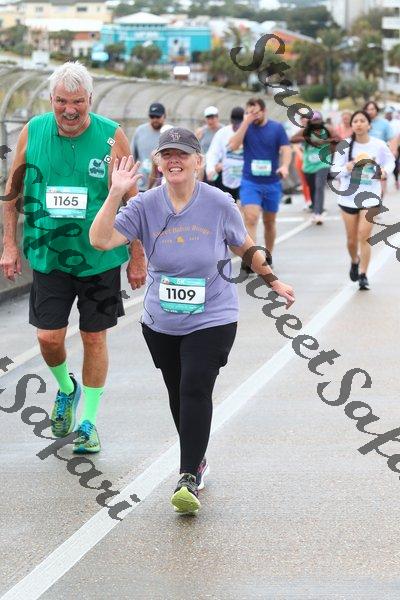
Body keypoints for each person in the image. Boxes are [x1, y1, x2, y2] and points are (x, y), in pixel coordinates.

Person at [89, 127, 295, 514]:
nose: (174, 160)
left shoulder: (218, 203)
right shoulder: (145, 204)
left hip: (213, 315)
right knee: (178, 392)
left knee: (195, 387)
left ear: (198, 161)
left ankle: (187, 476)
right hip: (162, 321)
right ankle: (197, 459)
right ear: (158, 162)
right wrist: (116, 192)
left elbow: (244, 245)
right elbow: (100, 240)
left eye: (182, 154)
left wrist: (273, 280)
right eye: (167, 154)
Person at [0, 61, 146, 453]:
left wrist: (137, 256)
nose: (69, 109)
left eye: (78, 102)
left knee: (93, 336)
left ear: (90, 100)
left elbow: (133, 201)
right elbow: (12, 189)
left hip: (99, 258)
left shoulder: (111, 136)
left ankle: (88, 424)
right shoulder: (33, 131)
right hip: (48, 256)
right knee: (48, 338)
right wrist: (9, 245)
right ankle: (67, 388)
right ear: (51, 99)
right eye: (62, 101)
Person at [330, 110, 394, 290]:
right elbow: (334, 171)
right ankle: (354, 260)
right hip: (348, 198)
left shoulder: (379, 145)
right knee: (351, 240)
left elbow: (390, 162)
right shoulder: (344, 146)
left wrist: (385, 171)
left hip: (370, 197)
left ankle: (364, 274)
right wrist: (347, 168)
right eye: (355, 121)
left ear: (369, 125)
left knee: (364, 236)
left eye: (362, 120)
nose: (358, 124)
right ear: (351, 125)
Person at [228, 97, 292, 270]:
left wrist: (285, 166)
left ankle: (268, 255)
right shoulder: (245, 127)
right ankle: (251, 258)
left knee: (269, 222)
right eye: (249, 112)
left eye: (255, 112)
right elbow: (233, 145)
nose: (252, 116)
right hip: (251, 181)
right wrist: (245, 123)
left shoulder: (276, 128)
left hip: (272, 182)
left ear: (264, 111)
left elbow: (286, 149)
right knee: (251, 217)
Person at [291, 111, 340, 225]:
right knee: (312, 188)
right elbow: (292, 139)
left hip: (323, 164)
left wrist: (327, 142)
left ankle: (318, 213)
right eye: (313, 121)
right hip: (308, 166)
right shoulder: (306, 131)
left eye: (318, 120)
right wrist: (307, 139)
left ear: (321, 121)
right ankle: (315, 208)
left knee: (319, 187)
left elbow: (338, 139)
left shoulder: (327, 129)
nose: (316, 123)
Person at [205, 106, 244, 202]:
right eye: (235, 124)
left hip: (243, 177)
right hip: (225, 175)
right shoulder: (222, 133)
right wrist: (211, 169)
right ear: (231, 121)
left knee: (241, 205)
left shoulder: (250, 132)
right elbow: (213, 153)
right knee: (226, 202)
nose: (237, 127)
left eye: (239, 124)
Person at [131, 102, 169, 191]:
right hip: (141, 184)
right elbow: (132, 157)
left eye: (158, 117)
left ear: (164, 116)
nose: (155, 119)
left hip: (161, 185)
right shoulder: (140, 131)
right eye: (152, 117)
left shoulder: (169, 132)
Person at [195, 106, 223, 186]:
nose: (210, 121)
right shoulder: (201, 131)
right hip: (205, 165)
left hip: (219, 164)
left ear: (217, 117)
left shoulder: (223, 130)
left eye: (212, 118)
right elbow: (195, 148)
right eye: (208, 118)